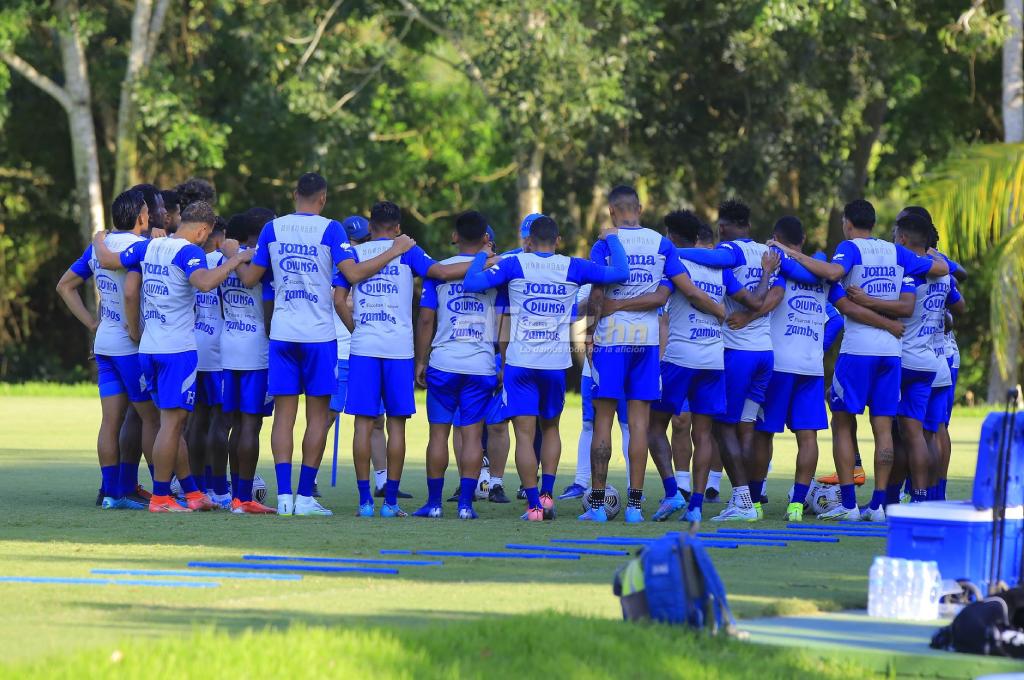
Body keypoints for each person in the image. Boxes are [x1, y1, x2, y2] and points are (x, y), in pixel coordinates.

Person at [227, 173, 415, 516]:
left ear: (294, 194)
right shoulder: (331, 229)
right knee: (316, 418)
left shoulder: (273, 228)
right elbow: (354, 275)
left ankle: (283, 498)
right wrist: (395, 250)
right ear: (323, 199)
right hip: (318, 336)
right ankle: (304, 497)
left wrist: (235, 255)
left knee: (284, 417)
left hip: (282, 333)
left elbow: (251, 278)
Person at [769, 199, 950, 520]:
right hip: (891, 355)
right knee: (883, 428)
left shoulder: (851, 248)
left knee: (842, 423)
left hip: (858, 352)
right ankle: (879, 504)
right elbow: (940, 269)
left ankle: (851, 506)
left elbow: (834, 273)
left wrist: (792, 253)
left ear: (847, 223)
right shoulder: (896, 252)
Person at [463, 214, 630, 521]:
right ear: (557, 241)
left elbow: (472, 282)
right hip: (555, 364)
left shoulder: (515, 264)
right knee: (550, 428)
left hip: (520, 363)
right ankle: (548, 496)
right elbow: (621, 272)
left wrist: (482, 257)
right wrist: (611, 237)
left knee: (525, 437)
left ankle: (534, 508)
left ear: (528, 241)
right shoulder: (572, 266)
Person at [91, 200, 253, 512]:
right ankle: (162, 497)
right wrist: (237, 259)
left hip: (148, 349)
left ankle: (192, 494)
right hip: (176, 351)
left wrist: (98, 239)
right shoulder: (189, 252)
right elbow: (204, 282)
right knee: (171, 425)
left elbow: (109, 259)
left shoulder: (151, 246)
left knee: (170, 424)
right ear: (203, 230)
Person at [335, 200, 481, 518]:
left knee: (363, 423)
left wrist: (356, 328)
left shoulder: (354, 252)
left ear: (370, 226)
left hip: (363, 348)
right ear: (398, 227)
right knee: (397, 425)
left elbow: (338, 300)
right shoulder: (408, 250)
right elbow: (442, 272)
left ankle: (364, 502)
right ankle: (390, 503)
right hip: (399, 350)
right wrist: (485, 261)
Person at [754, 216, 904, 522]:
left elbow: (772, 299)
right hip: (811, 366)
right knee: (808, 437)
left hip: (781, 364)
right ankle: (797, 505)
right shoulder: (823, 277)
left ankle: (753, 503)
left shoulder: (782, 268)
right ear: (805, 238)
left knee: (764, 435)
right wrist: (817, 346)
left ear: (776, 238)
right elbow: (839, 315)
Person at [642, 210, 770, 523]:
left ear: (672, 236)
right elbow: (754, 302)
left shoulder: (675, 263)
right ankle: (696, 506)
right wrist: (766, 273)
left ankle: (673, 492)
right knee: (704, 434)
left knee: (654, 426)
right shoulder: (722, 270)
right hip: (714, 360)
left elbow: (660, 298)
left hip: (680, 358)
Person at [673, 200, 793, 521]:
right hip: (764, 353)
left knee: (721, 430)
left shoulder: (732, 251)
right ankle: (752, 500)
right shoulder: (769, 254)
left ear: (723, 228)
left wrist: (672, 254)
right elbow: (775, 294)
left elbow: (706, 256)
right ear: (750, 226)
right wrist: (753, 314)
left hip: (737, 354)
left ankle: (741, 502)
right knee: (746, 428)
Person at [584, 186, 692, 523]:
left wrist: (589, 331)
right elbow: (662, 297)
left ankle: (598, 508)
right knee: (640, 425)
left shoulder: (604, 244)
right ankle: (634, 508)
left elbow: (597, 295)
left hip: (611, 339)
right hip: (645, 340)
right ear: (640, 208)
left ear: (612, 211)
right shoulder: (662, 243)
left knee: (602, 422)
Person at [56, 189, 160, 509]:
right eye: (146, 212)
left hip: (104, 345)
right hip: (130, 346)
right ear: (141, 216)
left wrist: (92, 323)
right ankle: (164, 492)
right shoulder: (142, 248)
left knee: (110, 422)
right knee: (150, 419)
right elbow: (131, 295)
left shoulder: (97, 247)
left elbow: (65, 286)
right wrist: (134, 329)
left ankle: (112, 494)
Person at [413, 210, 501, 519]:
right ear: (485, 239)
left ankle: (434, 504)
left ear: (455, 236)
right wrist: (501, 358)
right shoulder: (495, 271)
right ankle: (465, 505)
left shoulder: (437, 271)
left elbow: (426, 319)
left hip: (444, 362)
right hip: (480, 365)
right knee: (473, 436)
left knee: (438, 434)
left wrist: (420, 360)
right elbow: (504, 318)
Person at [327, 216, 396, 498]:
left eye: (364, 240)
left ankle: (382, 480)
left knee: (376, 418)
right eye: (356, 240)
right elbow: (339, 300)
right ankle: (312, 480)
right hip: (340, 350)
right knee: (327, 415)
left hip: (366, 351)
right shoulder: (337, 265)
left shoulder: (375, 263)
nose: (360, 245)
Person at [219, 207, 277, 513]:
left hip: (228, 349)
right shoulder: (261, 262)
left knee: (233, 425)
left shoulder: (221, 260)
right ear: (257, 234)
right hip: (257, 352)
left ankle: (233, 495)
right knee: (250, 427)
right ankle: (243, 498)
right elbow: (268, 318)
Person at [559, 282, 631, 500]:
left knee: (628, 425)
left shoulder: (636, 280)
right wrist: (595, 299)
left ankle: (633, 487)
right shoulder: (590, 283)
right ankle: (580, 482)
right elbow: (575, 315)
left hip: (627, 361)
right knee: (589, 423)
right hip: (594, 366)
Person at [188, 216, 229, 505]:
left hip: (194, 343)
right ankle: (219, 487)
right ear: (220, 236)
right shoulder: (226, 261)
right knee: (220, 420)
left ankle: (197, 485)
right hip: (219, 348)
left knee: (197, 420)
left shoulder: (194, 260)